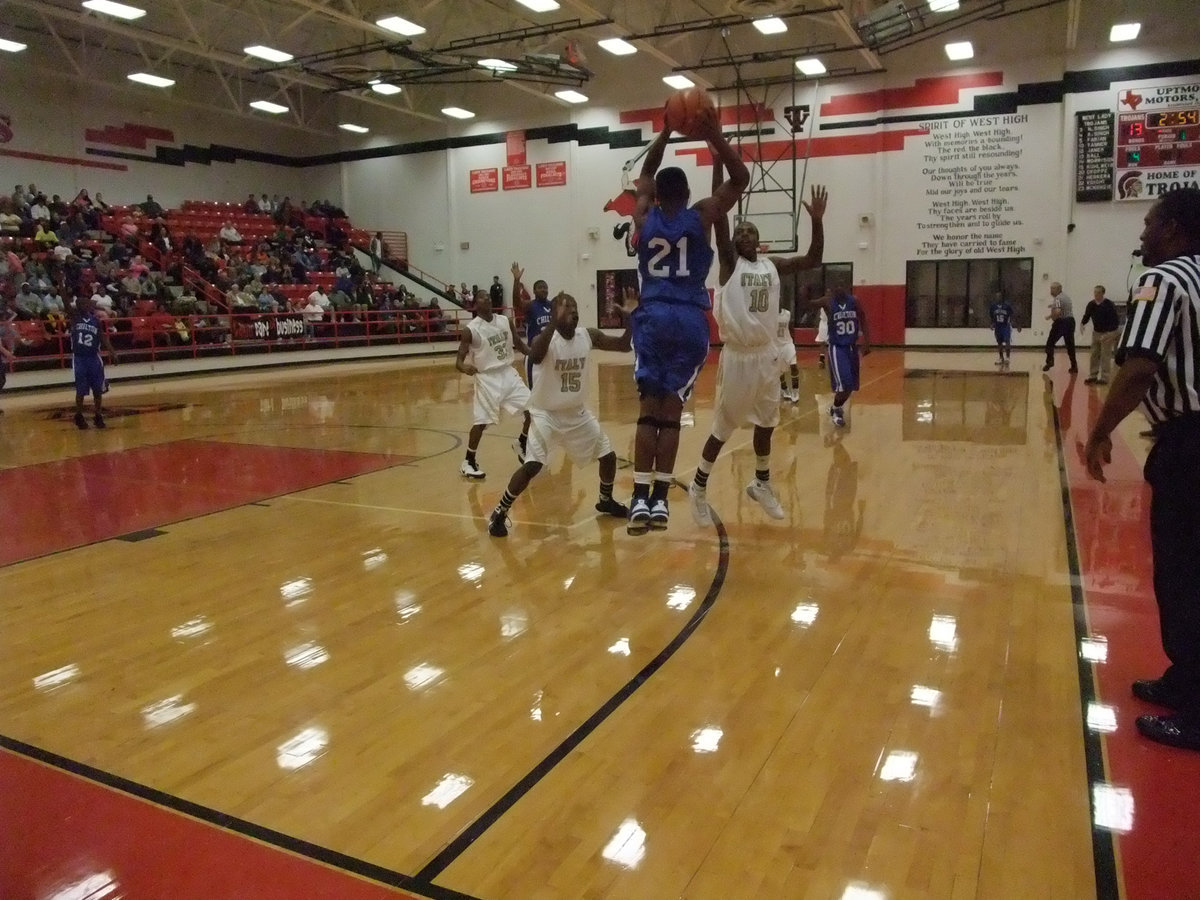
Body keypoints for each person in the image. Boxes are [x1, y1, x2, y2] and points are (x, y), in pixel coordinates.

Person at [1084, 187, 1200, 753]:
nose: (1142, 233)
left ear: (1175, 228)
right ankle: (1185, 679)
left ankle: (1197, 708)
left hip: (1190, 443)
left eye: (1150, 223)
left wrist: (1101, 429)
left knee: (1183, 572)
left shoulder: (1165, 280)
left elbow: (1138, 368)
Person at [626, 113, 750, 535]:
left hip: (653, 317)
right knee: (672, 413)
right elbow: (739, 178)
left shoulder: (644, 217)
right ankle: (660, 501)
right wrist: (713, 135)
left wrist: (664, 131)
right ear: (689, 193)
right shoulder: (702, 216)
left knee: (648, 413)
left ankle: (639, 498)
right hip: (690, 321)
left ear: (657, 195)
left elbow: (645, 172)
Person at [687, 172, 827, 528]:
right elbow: (718, 211)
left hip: (767, 355)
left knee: (767, 422)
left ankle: (761, 483)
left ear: (759, 239)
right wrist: (717, 163)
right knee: (724, 426)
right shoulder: (730, 264)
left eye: (750, 231)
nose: (745, 234)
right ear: (732, 240)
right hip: (738, 356)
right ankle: (699, 486)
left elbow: (812, 258)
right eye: (740, 231)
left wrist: (816, 221)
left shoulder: (772, 265)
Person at [487, 290, 635, 537]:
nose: (573, 311)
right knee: (533, 465)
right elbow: (534, 356)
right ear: (554, 313)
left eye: (575, 307)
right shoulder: (546, 340)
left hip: (577, 414)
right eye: (567, 307)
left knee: (608, 455)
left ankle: (605, 500)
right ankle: (499, 512)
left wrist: (631, 319)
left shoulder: (587, 336)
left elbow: (623, 345)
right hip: (547, 414)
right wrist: (554, 324)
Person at [455, 287, 531, 479]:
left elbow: (519, 344)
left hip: (508, 373)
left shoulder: (505, 321)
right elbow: (459, 360)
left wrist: (536, 355)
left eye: (488, 297)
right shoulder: (471, 330)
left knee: (534, 410)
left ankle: (521, 442)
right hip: (487, 378)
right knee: (481, 423)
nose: (487, 299)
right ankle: (468, 461)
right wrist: (465, 368)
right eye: (482, 298)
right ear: (476, 304)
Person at [510, 260, 553, 462]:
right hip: (534, 357)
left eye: (545, 286)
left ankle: (535, 440)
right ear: (534, 291)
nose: (543, 289)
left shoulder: (552, 306)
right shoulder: (530, 306)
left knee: (549, 400)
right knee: (536, 402)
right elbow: (517, 304)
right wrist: (516, 282)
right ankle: (523, 441)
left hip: (551, 357)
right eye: (539, 287)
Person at [823, 283, 870, 427]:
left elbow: (863, 318)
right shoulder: (828, 303)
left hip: (851, 347)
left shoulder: (854, 301)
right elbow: (811, 304)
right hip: (837, 347)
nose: (837, 289)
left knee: (851, 387)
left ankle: (835, 407)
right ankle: (837, 411)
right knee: (845, 384)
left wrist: (867, 342)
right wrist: (805, 295)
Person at [69, 296, 116, 429]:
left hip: (94, 358)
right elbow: (67, 304)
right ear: (77, 306)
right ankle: (78, 415)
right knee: (81, 390)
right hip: (79, 358)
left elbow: (101, 336)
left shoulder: (95, 320)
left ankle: (98, 415)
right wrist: (61, 283)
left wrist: (112, 351)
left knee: (97, 390)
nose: (84, 306)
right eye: (81, 303)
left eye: (86, 303)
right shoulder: (74, 318)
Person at [1080, 284, 1120, 384]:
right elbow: (1087, 315)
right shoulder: (1091, 304)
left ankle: (1104, 377)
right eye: (1095, 292)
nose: (1096, 294)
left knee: (1105, 355)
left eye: (1098, 292)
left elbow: (1115, 320)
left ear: (1102, 293)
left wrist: (1111, 333)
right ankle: (1093, 375)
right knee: (1094, 354)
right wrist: (1082, 323)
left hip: (1107, 333)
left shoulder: (1109, 304)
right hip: (1096, 332)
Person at [1043, 281, 1078, 372]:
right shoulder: (1066, 297)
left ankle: (1050, 361)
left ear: (1059, 289)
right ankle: (1074, 366)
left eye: (1053, 288)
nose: (1051, 290)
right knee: (1070, 345)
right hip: (1070, 322)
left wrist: (1053, 318)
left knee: (1050, 342)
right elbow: (1063, 308)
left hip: (1062, 322)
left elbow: (1058, 311)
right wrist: (1051, 313)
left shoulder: (1058, 298)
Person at [988, 290, 1019, 367]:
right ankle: (1001, 358)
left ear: (1002, 297)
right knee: (999, 343)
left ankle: (1007, 357)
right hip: (998, 327)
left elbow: (1013, 315)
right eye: (996, 296)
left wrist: (1018, 325)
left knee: (1007, 341)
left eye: (999, 296)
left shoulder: (1007, 306)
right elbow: (992, 316)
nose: (998, 298)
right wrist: (992, 324)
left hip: (1005, 326)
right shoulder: (993, 306)